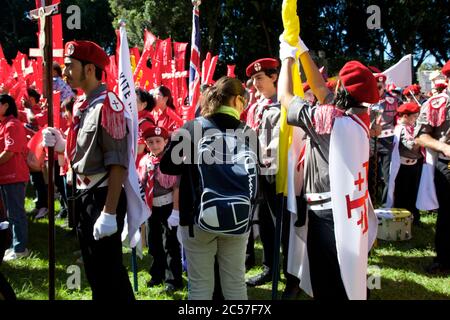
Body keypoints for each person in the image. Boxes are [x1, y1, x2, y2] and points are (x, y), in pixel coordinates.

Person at [278, 35, 378, 300]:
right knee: (347, 278)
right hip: (349, 211)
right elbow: (322, 90)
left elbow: (285, 97)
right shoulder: (358, 117)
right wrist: (302, 50)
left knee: (328, 284)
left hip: (326, 216)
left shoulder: (329, 120)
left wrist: (287, 58)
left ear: (343, 91)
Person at [42, 40, 134, 299]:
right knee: (95, 272)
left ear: (90, 69)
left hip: (102, 196)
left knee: (110, 274)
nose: (65, 72)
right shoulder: (84, 103)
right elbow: (85, 149)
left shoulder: (108, 103)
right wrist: (62, 145)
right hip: (84, 195)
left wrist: (109, 212)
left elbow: (118, 163)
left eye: (71, 66)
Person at [160, 76, 258, 300]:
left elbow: (167, 166)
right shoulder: (249, 132)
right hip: (239, 217)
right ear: (235, 100)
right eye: (243, 99)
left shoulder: (193, 127)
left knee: (200, 287)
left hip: (196, 217)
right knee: (235, 283)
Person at [244, 58, 300, 298]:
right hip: (260, 172)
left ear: (274, 77)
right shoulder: (258, 105)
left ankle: (292, 278)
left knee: (284, 226)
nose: (255, 83)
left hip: (281, 173)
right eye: (254, 79)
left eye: (259, 78)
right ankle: (270, 267)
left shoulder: (285, 104)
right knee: (265, 222)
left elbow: (286, 141)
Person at [415, 59, 450, 274]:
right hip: (447, 165)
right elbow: (421, 136)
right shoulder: (436, 104)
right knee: (448, 214)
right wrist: (443, 147)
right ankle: (444, 259)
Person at [137, 125, 182, 293]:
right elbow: (141, 184)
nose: (155, 145)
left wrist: (176, 212)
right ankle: (157, 274)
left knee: (170, 243)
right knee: (154, 242)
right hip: (151, 207)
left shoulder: (171, 161)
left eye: (158, 141)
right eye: (150, 142)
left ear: (166, 141)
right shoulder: (144, 161)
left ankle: (173, 279)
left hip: (169, 206)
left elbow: (177, 187)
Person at [0, 94, 29, 261]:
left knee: (16, 213)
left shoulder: (12, 124)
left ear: (5, 106)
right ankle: (14, 245)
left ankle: (20, 248)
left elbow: (10, 151)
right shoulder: (4, 124)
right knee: (10, 214)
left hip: (14, 176)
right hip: (6, 177)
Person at [385, 102, 422, 225]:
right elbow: (411, 146)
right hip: (403, 168)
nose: (416, 119)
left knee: (413, 193)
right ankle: (401, 219)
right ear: (405, 116)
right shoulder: (402, 129)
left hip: (413, 165)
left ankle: (413, 217)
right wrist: (423, 139)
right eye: (414, 117)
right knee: (402, 194)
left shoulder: (411, 127)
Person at [369, 73, 401, 205]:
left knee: (388, 175)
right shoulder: (367, 100)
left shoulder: (393, 100)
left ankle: (386, 204)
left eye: (380, 87)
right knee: (370, 174)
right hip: (371, 140)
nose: (378, 90)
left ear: (384, 86)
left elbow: (399, 118)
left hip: (388, 139)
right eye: (375, 86)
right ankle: (371, 202)